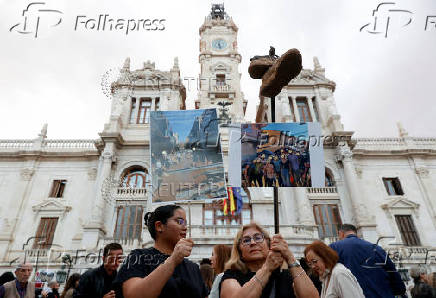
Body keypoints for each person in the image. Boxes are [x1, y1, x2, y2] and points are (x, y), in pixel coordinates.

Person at [113, 204, 208, 298]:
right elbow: (133, 294)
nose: (185, 227)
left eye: (185, 223)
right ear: (159, 226)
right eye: (179, 221)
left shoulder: (193, 267)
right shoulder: (138, 257)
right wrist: (173, 260)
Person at [219, 222, 319, 298]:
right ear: (239, 251)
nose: (253, 243)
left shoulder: (285, 275)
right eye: (246, 240)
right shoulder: (231, 276)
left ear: (269, 244)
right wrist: (266, 269)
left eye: (258, 238)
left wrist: (289, 256)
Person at [329, 224, 406, 298]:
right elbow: (392, 271)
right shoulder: (377, 248)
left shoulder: (334, 247)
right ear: (356, 234)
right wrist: (399, 290)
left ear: (341, 234)